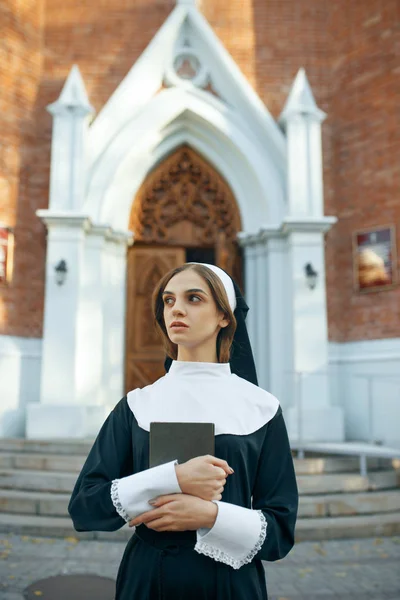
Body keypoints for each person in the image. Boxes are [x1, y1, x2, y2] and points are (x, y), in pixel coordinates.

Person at [68, 262, 298, 599]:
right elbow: (86, 508)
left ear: (225, 316)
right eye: (168, 300)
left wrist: (210, 515)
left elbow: (280, 532)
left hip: (232, 586)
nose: (176, 308)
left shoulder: (262, 408)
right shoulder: (136, 405)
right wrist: (174, 479)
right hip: (148, 581)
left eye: (194, 298)